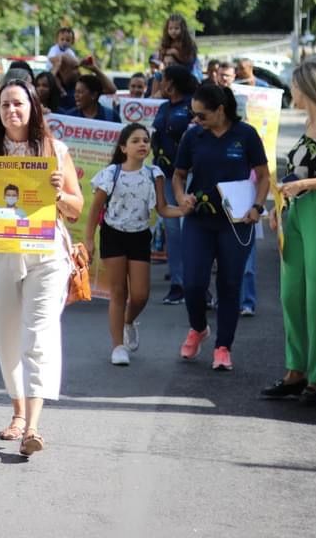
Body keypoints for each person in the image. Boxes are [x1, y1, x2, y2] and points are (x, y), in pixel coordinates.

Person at [0, 78, 83, 455]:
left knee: (38, 335)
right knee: (6, 336)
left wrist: (60, 192)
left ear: (32, 107)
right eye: (4, 106)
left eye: (18, 103)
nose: (12, 111)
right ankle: (17, 411)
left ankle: (32, 426)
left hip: (46, 252)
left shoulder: (55, 150)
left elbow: (76, 208)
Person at [173, 83, 269, 371]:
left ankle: (223, 347)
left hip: (236, 221)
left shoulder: (246, 135)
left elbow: (263, 176)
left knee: (230, 283)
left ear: (221, 110)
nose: (196, 121)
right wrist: (181, 197)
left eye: (202, 115)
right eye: (194, 115)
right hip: (199, 219)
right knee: (193, 283)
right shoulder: (193, 136)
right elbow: (178, 175)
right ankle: (198, 328)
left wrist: (258, 207)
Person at [261, 59, 316, 406]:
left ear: (310, 87)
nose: (293, 92)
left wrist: (306, 183)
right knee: (291, 293)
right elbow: (293, 175)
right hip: (298, 210)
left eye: (296, 86)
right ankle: (296, 369)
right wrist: (278, 206)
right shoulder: (307, 122)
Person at [84, 123, 183, 366]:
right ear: (123, 147)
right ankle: (118, 346)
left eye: (145, 141)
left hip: (139, 236)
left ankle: (128, 322)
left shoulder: (155, 174)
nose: (142, 144)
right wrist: (88, 239)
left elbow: (162, 208)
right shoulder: (110, 174)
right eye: (136, 140)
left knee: (140, 295)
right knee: (118, 292)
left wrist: (183, 210)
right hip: (113, 234)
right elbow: (95, 209)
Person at [150, 64, 198, 305]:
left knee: (191, 228)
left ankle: (196, 283)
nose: (161, 84)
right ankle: (178, 283)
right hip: (166, 175)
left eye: (164, 79)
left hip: (190, 177)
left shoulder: (192, 106)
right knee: (173, 231)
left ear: (173, 82)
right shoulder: (163, 107)